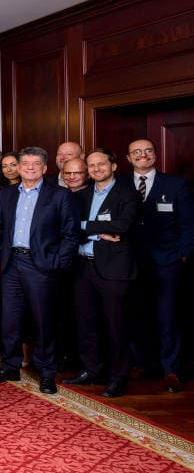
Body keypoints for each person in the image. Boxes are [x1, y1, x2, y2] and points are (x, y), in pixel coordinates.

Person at [0, 146, 82, 394]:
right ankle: (10, 366)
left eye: (34, 164)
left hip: (41, 266)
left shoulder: (59, 195)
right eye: (24, 163)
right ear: (17, 167)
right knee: (9, 319)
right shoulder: (6, 194)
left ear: (44, 168)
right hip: (10, 264)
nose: (29, 167)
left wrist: (58, 263)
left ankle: (47, 372)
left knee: (43, 320)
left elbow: (71, 235)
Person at [62, 148, 140, 397]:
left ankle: (118, 377)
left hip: (114, 270)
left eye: (101, 164)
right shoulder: (82, 195)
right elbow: (69, 224)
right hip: (83, 266)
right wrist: (99, 230)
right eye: (91, 166)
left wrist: (85, 226)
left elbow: (122, 225)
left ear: (114, 166)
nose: (96, 169)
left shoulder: (127, 193)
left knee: (115, 325)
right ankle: (89, 369)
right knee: (86, 323)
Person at [127, 137, 194, 393]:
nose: (143, 155)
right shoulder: (120, 184)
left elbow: (189, 224)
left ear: (155, 155)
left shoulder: (175, 184)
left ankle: (171, 369)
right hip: (130, 263)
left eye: (148, 150)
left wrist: (183, 255)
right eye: (137, 152)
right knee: (135, 314)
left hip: (167, 262)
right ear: (128, 158)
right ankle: (141, 363)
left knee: (167, 317)